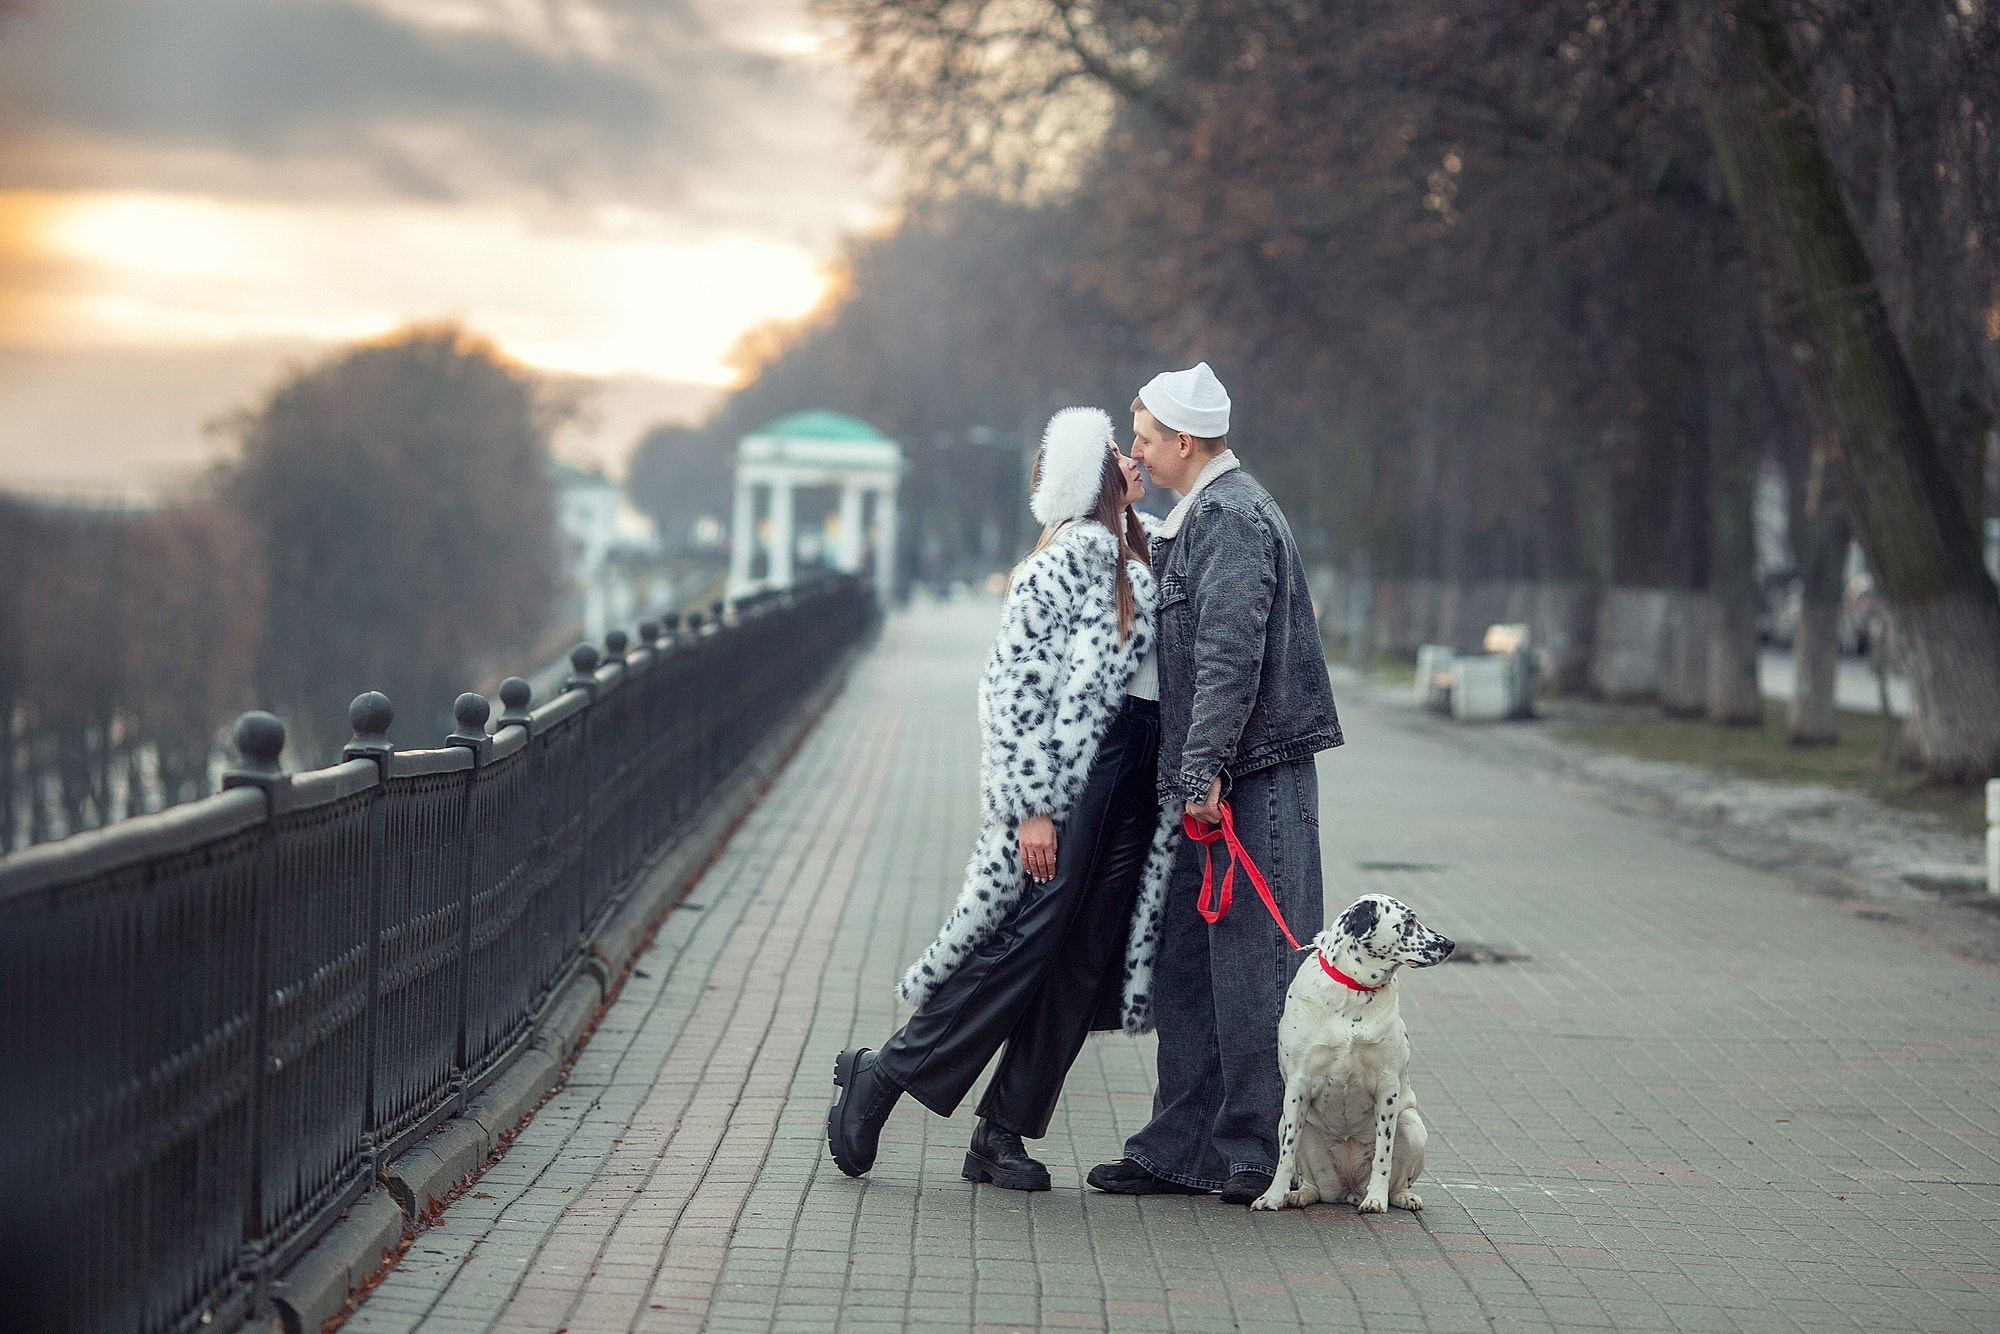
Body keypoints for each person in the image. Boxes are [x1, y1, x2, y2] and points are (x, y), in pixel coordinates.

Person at [826, 406, 1179, 1191]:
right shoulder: (1058, 564)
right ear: (1089, 479)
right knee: (1026, 943)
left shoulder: (1132, 548)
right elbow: (1011, 689)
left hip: (1139, 771)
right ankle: (882, 1075)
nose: (1132, 461)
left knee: (1084, 960)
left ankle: (1002, 1134)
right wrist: (1031, 806)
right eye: (1117, 454)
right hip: (1082, 772)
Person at [1087, 361, 1343, 1206]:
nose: (1136, 450)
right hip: (1220, 778)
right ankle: (1179, 1147)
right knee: (1190, 969)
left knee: (1255, 971)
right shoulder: (1199, 513)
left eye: (1147, 438)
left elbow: (1230, 655)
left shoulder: (1231, 518)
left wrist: (1204, 770)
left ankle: (1256, 1156)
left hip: (1249, 778)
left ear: (1185, 441)